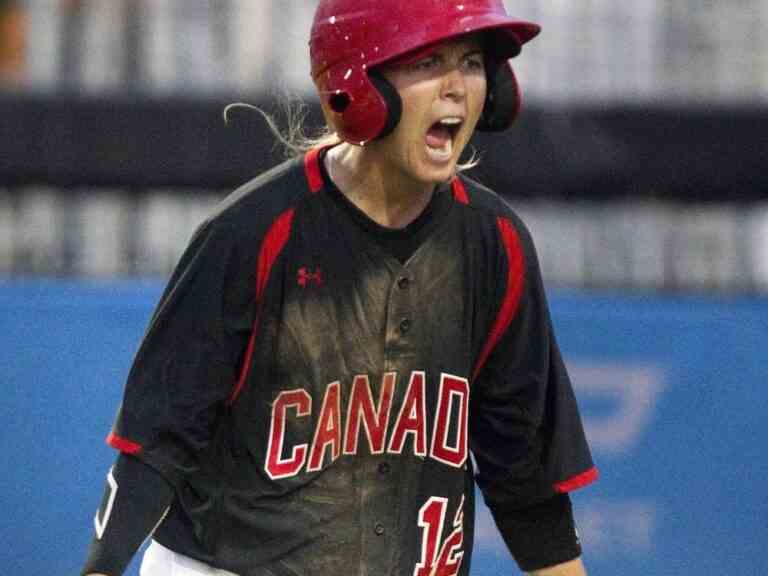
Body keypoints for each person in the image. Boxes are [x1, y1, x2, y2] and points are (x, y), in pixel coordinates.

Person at [81, 1, 598, 575]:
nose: (457, 87)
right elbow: (157, 446)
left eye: (472, 62)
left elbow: (523, 473)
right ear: (359, 79)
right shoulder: (254, 234)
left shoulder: (494, 245)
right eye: (429, 59)